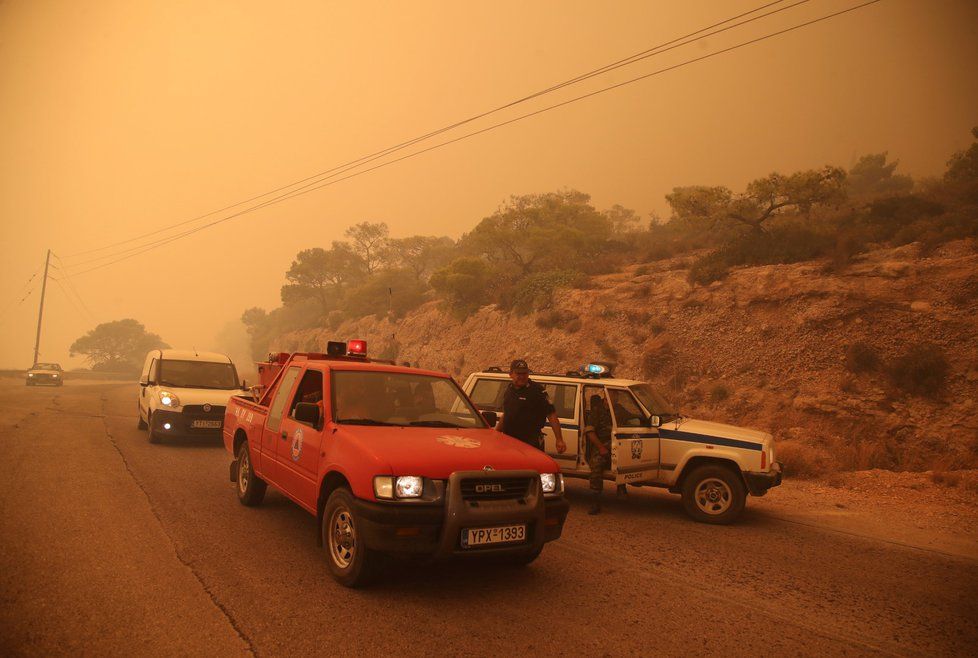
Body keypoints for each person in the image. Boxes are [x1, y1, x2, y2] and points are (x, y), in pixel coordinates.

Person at [496, 359, 566, 454]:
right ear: (511, 374)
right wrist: (496, 433)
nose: (522, 376)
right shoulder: (509, 390)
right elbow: (507, 413)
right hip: (509, 441)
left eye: (524, 373)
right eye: (518, 373)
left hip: (530, 443)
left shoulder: (537, 391)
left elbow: (551, 415)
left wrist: (559, 440)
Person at [583, 393, 613, 514]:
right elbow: (589, 432)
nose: (613, 399)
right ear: (605, 398)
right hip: (601, 443)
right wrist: (601, 448)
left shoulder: (618, 408)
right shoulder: (597, 411)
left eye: (616, 396)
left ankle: (622, 487)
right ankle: (595, 501)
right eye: (611, 396)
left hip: (618, 443)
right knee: (596, 465)